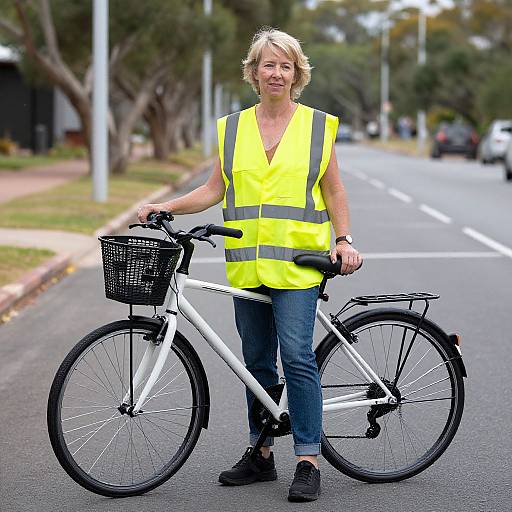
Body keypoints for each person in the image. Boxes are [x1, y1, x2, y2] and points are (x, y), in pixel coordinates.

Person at [138, 27, 362, 502]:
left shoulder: (318, 126)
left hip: (298, 264)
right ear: (254, 72)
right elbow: (213, 190)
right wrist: (167, 207)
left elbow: (334, 189)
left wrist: (343, 240)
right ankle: (261, 455)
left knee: (297, 356)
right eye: (268, 64)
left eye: (285, 65)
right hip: (247, 265)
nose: (277, 73)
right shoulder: (233, 127)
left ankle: (307, 459)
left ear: (296, 74)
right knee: (255, 362)